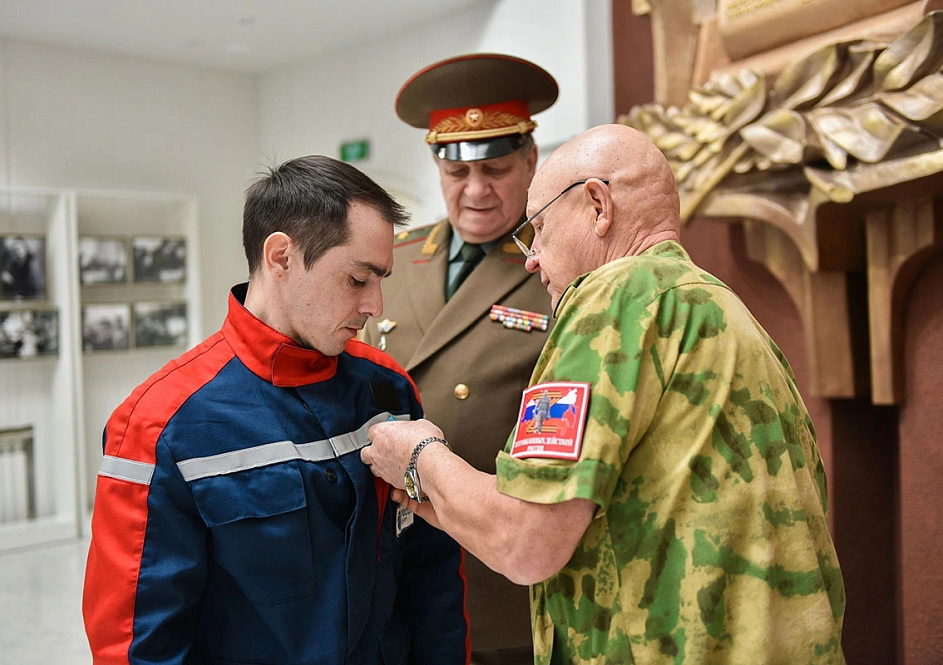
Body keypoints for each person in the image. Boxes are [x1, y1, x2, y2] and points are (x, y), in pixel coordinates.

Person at [361, 124, 846, 664]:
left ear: (598, 205)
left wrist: (420, 459)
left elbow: (526, 542)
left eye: (539, 228)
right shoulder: (722, 307)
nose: (531, 258)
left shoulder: (612, 298)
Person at [83, 155, 469, 665]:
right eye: (358, 279)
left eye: (381, 280)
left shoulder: (388, 390)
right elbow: (137, 646)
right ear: (282, 256)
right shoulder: (161, 426)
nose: (376, 306)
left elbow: (431, 580)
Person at [360, 52, 557, 665]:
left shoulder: (561, 265)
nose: (475, 190)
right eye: (456, 171)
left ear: (530, 159)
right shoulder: (396, 257)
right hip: (390, 563)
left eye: (496, 168)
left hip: (495, 579)